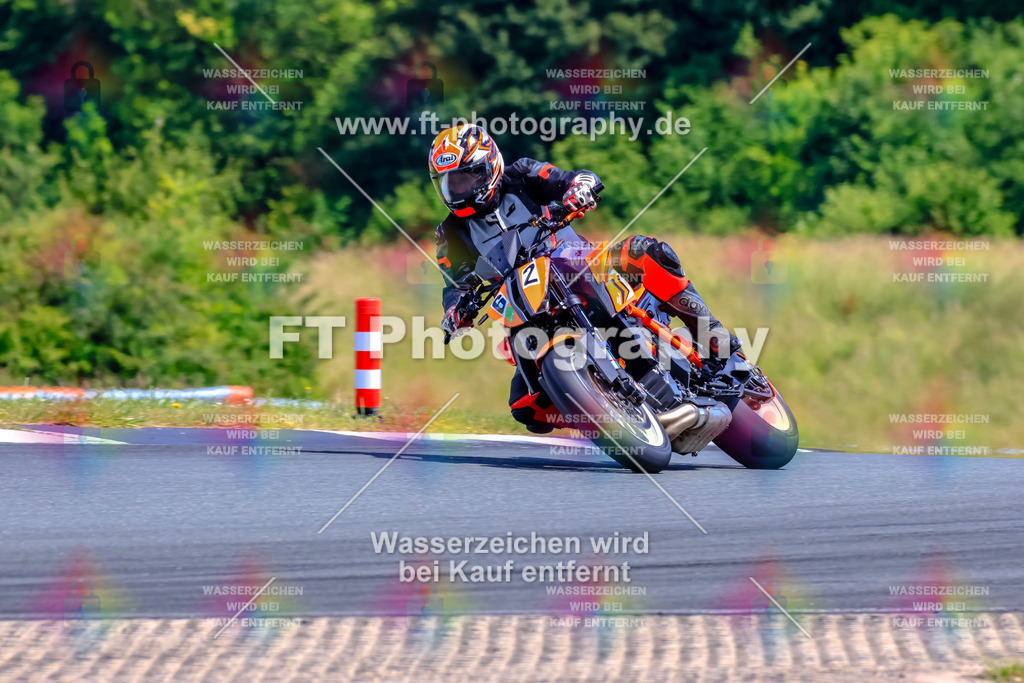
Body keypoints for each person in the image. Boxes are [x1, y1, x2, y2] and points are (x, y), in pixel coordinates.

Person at [430, 124, 739, 433]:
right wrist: (455, 312)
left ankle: (718, 342)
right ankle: (609, 410)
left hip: (577, 262)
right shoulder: (449, 233)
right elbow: (455, 284)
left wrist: (579, 189)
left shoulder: (522, 175)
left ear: (489, 167)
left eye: (465, 178)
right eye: (449, 184)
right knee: (527, 406)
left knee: (648, 252)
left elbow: (571, 178)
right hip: (525, 304)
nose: (458, 190)